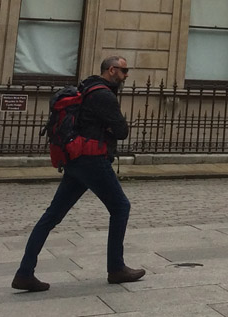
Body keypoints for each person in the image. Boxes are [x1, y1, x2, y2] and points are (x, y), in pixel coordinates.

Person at [12, 55, 145, 292]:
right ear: (112, 70)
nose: (126, 76)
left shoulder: (87, 87)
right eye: (124, 71)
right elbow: (122, 131)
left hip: (76, 160)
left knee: (52, 215)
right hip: (93, 159)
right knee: (121, 207)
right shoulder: (104, 95)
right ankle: (116, 268)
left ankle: (24, 272)